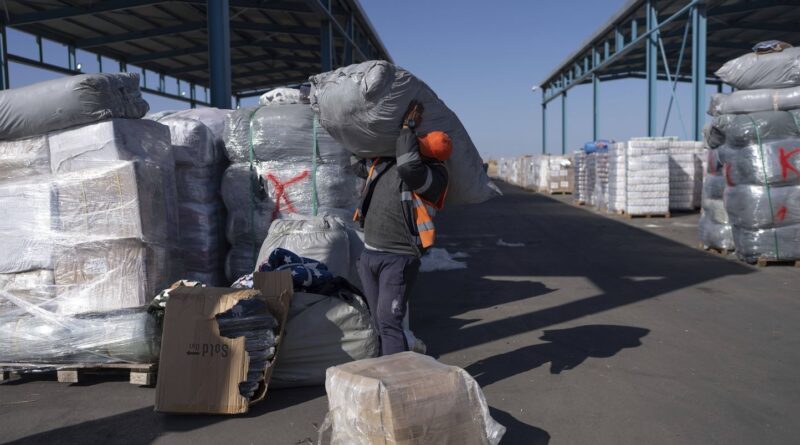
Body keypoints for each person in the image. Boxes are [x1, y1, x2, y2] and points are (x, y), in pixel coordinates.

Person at [352, 101, 452, 356]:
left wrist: (407, 127)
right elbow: (356, 163)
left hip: (398, 257)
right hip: (370, 253)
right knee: (377, 322)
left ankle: (396, 382)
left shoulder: (434, 176)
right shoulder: (388, 163)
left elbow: (409, 167)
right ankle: (386, 372)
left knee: (389, 321)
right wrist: (357, 129)